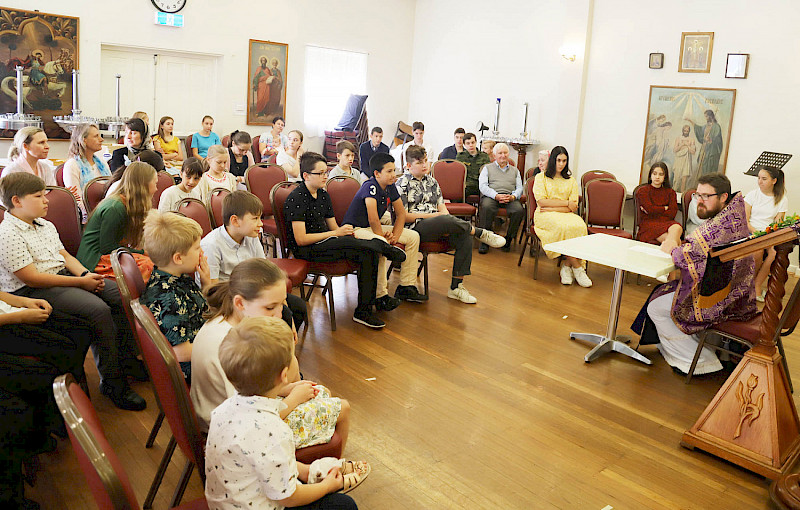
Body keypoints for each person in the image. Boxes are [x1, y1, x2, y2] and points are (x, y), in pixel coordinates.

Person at [0, 172, 146, 410]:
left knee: (120, 294)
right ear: (17, 201)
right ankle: (112, 382)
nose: (46, 200)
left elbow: (65, 256)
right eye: (38, 196)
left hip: (61, 278)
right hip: (31, 291)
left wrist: (84, 275)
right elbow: (32, 278)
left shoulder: (44, 224)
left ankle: (126, 360)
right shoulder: (7, 233)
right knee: (98, 311)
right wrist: (80, 283)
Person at [205, 316, 365, 509]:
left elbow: (258, 460)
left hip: (225, 503)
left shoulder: (222, 411)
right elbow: (288, 498)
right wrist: (327, 486)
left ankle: (306, 472)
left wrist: (304, 471)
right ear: (284, 375)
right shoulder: (275, 430)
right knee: (344, 505)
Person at [191, 259, 349, 452]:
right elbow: (250, 417)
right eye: (269, 308)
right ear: (240, 303)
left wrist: (287, 390)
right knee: (343, 408)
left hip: (235, 416)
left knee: (321, 393)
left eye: (282, 304)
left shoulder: (229, 325)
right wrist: (293, 399)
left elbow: (247, 393)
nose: (278, 315)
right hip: (236, 434)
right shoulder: (231, 344)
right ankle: (330, 472)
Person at [633, 173, 756, 375]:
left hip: (720, 299)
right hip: (736, 293)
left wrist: (672, 249)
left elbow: (686, 255)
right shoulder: (735, 216)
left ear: (724, 196)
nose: (700, 201)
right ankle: (705, 350)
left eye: (706, 196)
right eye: (698, 195)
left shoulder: (715, 229)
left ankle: (699, 362)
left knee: (656, 307)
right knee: (663, 292)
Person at [284, 152, 407, 328]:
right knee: (361, 244)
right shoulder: (296, 198)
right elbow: (301, 239)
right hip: (308, 249)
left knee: (369, 252)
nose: (326, 176)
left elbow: (334, 227)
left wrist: (341, 232)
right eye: (321, 173)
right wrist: (335, 234)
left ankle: (364, 311)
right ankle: (382, 246)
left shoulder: (323, 195)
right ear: (306, 175)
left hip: (326, 243)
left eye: (326, 172)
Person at [397, 146, 505, 303]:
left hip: (439, 223)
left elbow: (443, 210)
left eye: (426, 161)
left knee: (464, 235)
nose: (425, 165)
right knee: (443, 219)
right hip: (415, 228)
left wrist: (444, 221)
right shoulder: (402, 183)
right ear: (408, 165)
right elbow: (404, 217)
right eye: (419, 162)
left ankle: (456, 287)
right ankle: (481, 232)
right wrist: (435, 217)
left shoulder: (432, 182)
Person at [200, 190, 307, 330]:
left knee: (298, 307)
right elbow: (212, 291)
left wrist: (283, 304)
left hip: (253, 292)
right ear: (235, 221)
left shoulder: (251, 236)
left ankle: (279, 345)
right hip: (229, 299)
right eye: (255, 218)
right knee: (280, 315)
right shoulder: (211, 245)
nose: (261, 224)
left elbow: (263, 272)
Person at [345, 152, 427, 306]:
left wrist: (395, 236)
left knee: (413, 236)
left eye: (394, 170)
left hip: (372, 229)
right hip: (356, 229)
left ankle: (406, 286)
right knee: (380, 243)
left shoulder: (390, 187)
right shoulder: (370, 186)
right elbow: (372, 218)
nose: (393, 175)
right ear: (377, 173)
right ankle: (380, 295)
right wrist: (383, 237)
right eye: (389, 171)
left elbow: (401, 213)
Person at [141, 211, 210, 381]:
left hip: (204, 345)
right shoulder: (167, 297)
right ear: (178, 258)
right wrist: (221, 345)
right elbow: (182, 353)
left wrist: (206, 282)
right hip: (197, 368)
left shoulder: (180, 277)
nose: (201, 251)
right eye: (197, 248)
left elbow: (203, 311)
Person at [76, 161, 157, 282]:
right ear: (143, 184)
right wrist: (141, 252)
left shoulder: (126, 203)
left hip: (110, 254)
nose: (156, 188)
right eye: (155, 183)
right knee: (150, 266)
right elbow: (108, 248)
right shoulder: (115, 208)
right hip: (94, 260)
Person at [531, 146, 592, 287]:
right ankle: (578, 268)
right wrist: (565, 203)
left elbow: (574, 206)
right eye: (558, 160)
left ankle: (566, 265)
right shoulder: (541, 178)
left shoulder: (570, 180)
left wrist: (554, 206)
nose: (561, 164)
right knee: (562, 227)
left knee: (579, 226)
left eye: (564, 161)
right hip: (544, 215)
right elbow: (541, 202)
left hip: (562, 213)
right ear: (553, 160)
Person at [745, 165, 788, 301]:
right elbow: (745, 221)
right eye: (759, 178)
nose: (760, 181)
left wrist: (767, 235)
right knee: (757, 252)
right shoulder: (752, 195)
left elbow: (777, 224)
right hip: (750, 231)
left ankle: (756, 285)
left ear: (774, 181)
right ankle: (749, 286)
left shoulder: (782, 199)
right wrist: (756, 232)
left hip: (768, 235)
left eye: (764, 179)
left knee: (774, 253)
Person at [477, 143, 524, 255]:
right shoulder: (487, 168)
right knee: (487, 207)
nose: (503, 155)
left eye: (505, 153)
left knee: (519, 210)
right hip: (492, 196)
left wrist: (513, 196)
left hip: (510, 197)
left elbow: (520, 188)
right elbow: (482, 186)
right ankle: (486, 240)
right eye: (500, 153)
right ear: (494, 156)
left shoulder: (515, 170)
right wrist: (496, 195)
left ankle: (508, 240)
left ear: (508, 154)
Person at [63, 123, 112, 218]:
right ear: (84, 140)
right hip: (88, 215)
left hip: (107, 210)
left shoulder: (102, 163)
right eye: (96, 136)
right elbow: (76, 199)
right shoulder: (72, 165)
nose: (101, 139)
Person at [636, 162, 682, 244]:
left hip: (666, 222)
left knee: (677, 227)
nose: (657, 177)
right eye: (654, 174)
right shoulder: (643, 191)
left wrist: (654, 209)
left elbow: (672, 213)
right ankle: (679, 252)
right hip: (649, 223)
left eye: (661, 174)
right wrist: (664, 208)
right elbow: (650, 209)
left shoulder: (671, 192)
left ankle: (676, 252)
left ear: (665, 177)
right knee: (672, 240)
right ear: (650, 175)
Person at [687, 109, 723, 177]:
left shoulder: (716, 126)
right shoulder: (706, 126)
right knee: (702, 166)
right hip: (704, 149)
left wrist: (711, 139)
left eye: (706, 116)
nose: (706, 118)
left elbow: (718, 139)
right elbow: (699, 129)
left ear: (710, 116)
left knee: (709, 168)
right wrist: (691, 121)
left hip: (712, 151)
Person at [456, 132, 490, 198]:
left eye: (472, 142)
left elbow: (488, 173)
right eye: (468, 143)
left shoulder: (484, 156)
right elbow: (458, 174)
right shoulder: (460, 157)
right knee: (456, 194)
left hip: (480, 184)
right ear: (464, 144)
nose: (471, 145)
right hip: (467, 185)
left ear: (476, 142)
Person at [671, 124, 696, 193]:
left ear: (689, 132)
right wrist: (681, 145)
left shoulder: (691, 140)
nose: (685, 132)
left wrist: (688, 146)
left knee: (684, 178)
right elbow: (675, 150)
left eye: (687, 131)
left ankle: (682, 194)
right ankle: (674, 193)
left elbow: (693, 151)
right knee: (677, 178)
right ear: (682, 131)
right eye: (684, 131)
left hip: (686, 161)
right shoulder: (678, 139)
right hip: (679, 161)